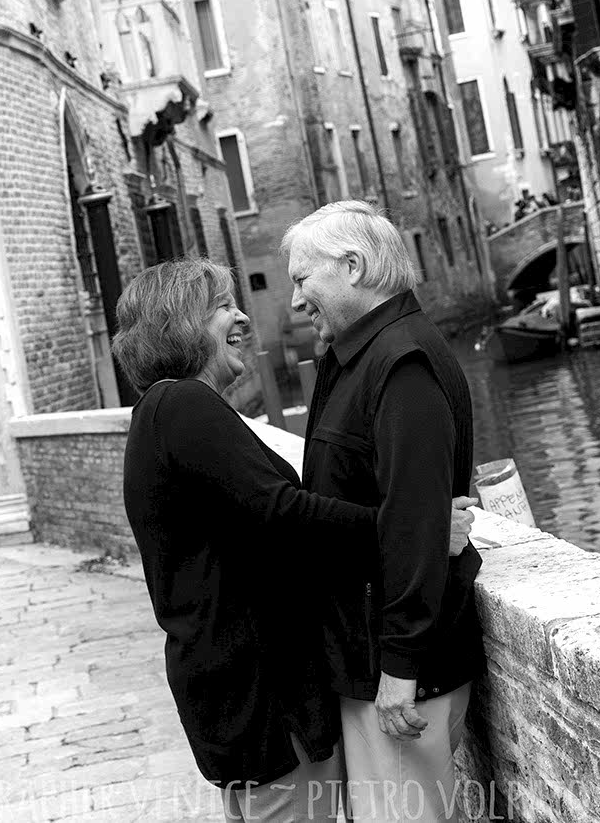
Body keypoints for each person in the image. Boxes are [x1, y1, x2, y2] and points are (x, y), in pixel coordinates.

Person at [114, 258, 476, 822]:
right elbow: (282, 512)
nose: (242, 317)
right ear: (176, 325)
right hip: (263, 701)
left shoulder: (163, 413)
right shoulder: (180, 404)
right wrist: (417, 528)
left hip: (238, 697)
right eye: (220, 307)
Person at [283, 202, 484, 823]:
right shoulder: (353, 357)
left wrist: (400, 666)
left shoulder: (402, 366)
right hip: (365, 660)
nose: (295, 302)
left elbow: (417, 525)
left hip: (395, 673)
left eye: (302, 279)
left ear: (354, 265)